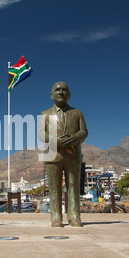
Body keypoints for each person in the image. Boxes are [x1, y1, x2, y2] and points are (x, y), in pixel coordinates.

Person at [38, 82, 88, 227]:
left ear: (69, 95)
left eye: (64, 90)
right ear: (51, 95)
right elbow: (41, 134)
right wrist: (56, 140)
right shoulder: (45, 114)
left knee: (73, 186)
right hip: (53, 154)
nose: (61, 92)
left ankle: (74, 216)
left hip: (73, 154)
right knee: (54, 188)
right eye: (57, 90)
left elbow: (84, 131)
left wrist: (75, 138)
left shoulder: (77, 113)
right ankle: (56, 217)